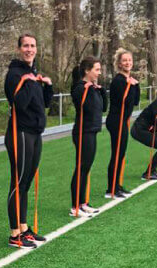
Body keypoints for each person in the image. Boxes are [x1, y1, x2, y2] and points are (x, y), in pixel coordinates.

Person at [4, 33, 54, 248]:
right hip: (20, 133)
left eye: (33, 46)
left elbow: (44, 104)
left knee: (26, 183)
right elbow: (19, 104)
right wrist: (27, 83)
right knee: (18, 182)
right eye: (25, 46)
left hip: (35, 132)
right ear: (19, 49)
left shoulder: (32, 72)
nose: (29, 49)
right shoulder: (15, 74)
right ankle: (14, 233)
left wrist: (47, 86)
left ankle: (24, 228)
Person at [70, 56, 107, 217]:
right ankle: (75, 206)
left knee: (86, 168)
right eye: (96, 70)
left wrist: (101, 91)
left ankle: (83, 203)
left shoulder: (93, 88)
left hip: (92, 131)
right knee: (82, 167)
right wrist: (89, 89)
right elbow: (84, 106)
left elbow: (103, 108)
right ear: (87, 70)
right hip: (83, 132)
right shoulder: (80, 88)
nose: (99, 73)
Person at [105, 49, 140, 199]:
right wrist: (130, 86)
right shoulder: (118, 81)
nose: (127, 63)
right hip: (116, 121)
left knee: (121, 154)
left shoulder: (129, 80)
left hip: (124, 121)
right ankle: (111, 188)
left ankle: (117, 185)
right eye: (124, 60)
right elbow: (125, 101)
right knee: (117, 154)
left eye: (129, 60)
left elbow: (136, 102)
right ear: (119, 63)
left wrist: (135, 86)